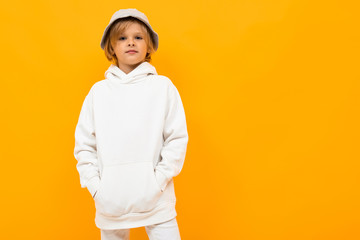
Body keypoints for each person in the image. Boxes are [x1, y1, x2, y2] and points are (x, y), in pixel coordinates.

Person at [73, 8, 189, 240]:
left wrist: (158, 181)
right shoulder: (98, 92)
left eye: (138, 37)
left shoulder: (163, 87)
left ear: (148, 45)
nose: (130, 43)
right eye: (122, 38)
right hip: (111, 202)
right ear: (111, 47)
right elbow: (84, 145)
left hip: (157, 200)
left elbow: (177, 138)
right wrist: (97, 188)